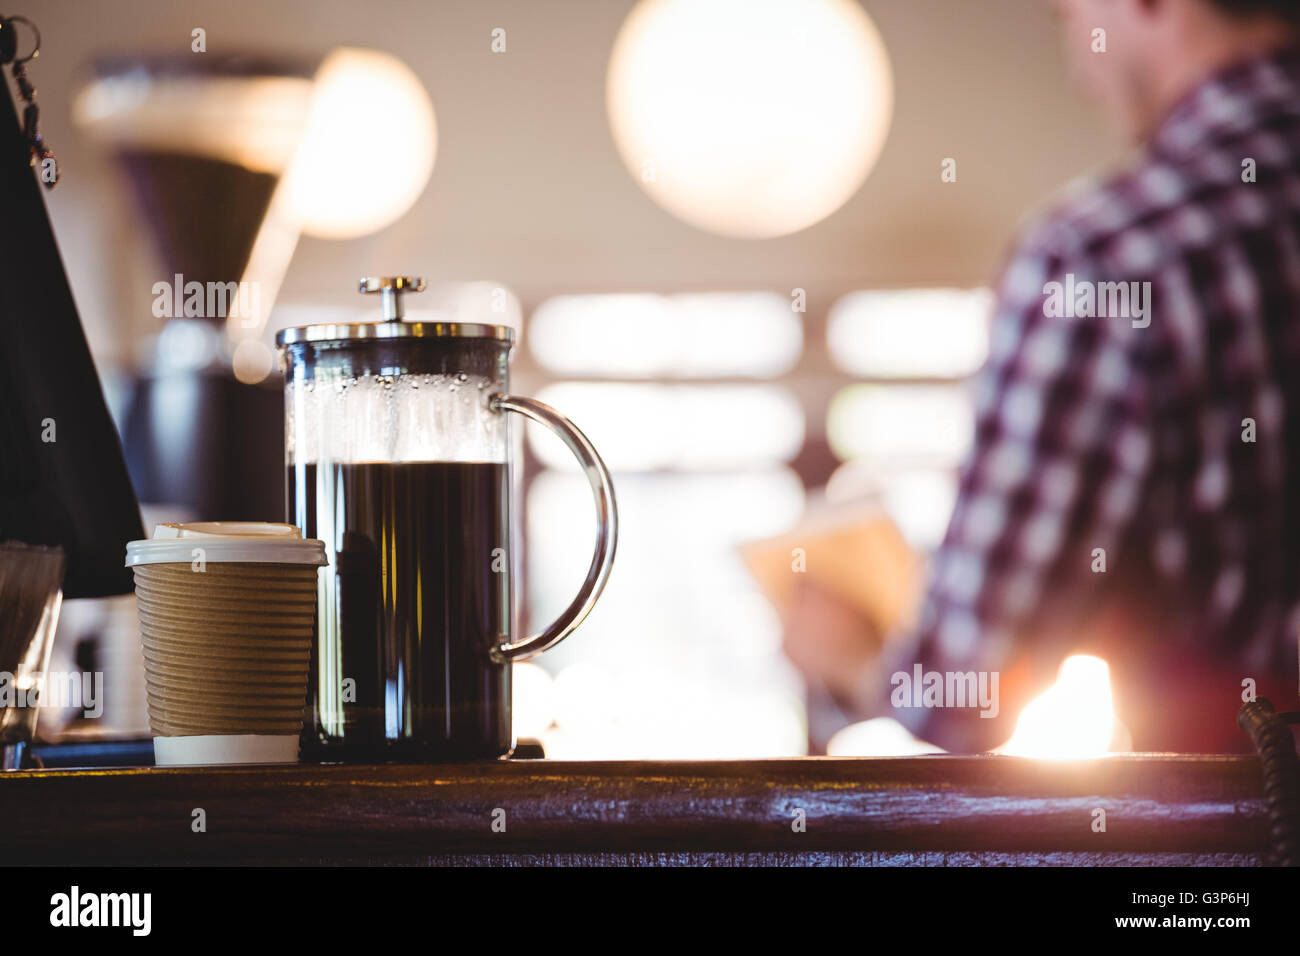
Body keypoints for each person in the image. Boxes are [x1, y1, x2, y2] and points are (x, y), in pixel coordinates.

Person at [784, 0, 1300, 753]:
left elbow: (969, 690)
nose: (1079, 64)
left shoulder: (1108, 260)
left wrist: (854, 657)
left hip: (1246, 836)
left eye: (1068, 14)